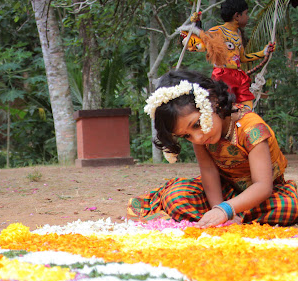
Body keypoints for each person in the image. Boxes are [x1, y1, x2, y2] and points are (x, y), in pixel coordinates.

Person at [126, 69, 298, 228]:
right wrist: (219, 209)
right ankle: (230, 219)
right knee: (176, 197)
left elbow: (263, 186)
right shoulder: (202, 137)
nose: (197, 137)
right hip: (225, 193)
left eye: (197, 124)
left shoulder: (251, 128)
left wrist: (225, 210)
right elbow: (208, 172)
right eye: (187, 136)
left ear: (212, 100)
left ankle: (221, 217)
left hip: (265, 195)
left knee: (289, 207)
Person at [180, 0, 275, 109]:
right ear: (237, 16)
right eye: (246, 13)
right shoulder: (217, 31)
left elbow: (243, 58)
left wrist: (263, 52)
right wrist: (197, 25)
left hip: (238, 76)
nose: (248, 17)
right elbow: (201, 44)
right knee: (223, 108)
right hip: (222, 75)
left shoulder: (238, 33)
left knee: (247, 107)